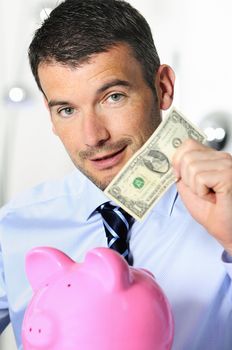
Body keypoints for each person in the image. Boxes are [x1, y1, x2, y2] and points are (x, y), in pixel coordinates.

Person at [0, 0, 232, 349]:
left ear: (163, 88)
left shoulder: (226, 211)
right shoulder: (15, 227)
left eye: (113, 97)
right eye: (66, 109)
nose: (94, 136)